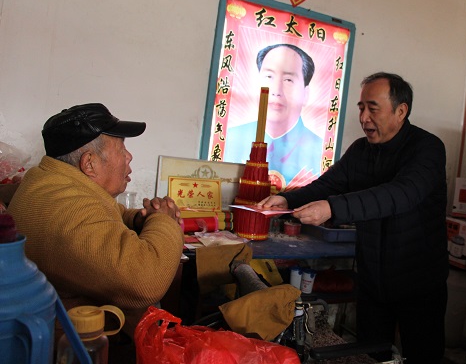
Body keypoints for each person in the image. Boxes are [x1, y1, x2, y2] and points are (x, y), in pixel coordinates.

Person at [259, 72, 448, 363]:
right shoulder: (361, 150)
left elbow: (401, 194)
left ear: (401, 111)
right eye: (361, 108)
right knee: (370, 354)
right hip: (372, 278)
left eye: (373, 108)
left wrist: (332, 208)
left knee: (423, 355)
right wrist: (287, 198)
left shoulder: (427, 148)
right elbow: (329, 184)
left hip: (418, 280)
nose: (364, 118)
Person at [7, 103, 184, 360]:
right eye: (121, 148)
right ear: (89, 163)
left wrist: (139, 219)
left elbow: (105, 213)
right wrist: (164, 221)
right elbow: (145, 280)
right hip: (78, 349)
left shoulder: (50, 183)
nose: (129, 157)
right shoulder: (68, 211)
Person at [224, 43, 323, 189]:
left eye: (288, 80)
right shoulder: (230, 138)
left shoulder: (321, 150)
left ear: (306, 94)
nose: (276, 90)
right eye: (269, 76)